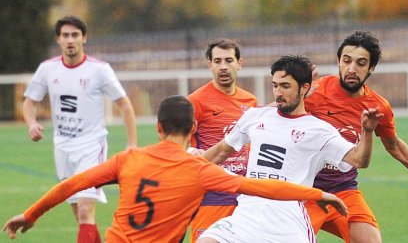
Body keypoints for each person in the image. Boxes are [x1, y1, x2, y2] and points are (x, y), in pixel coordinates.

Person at [3, 95, 349, 242]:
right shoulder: (200, 170)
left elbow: (74, 184)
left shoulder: (129, 158)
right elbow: (263, 188)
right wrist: (318, 193)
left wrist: (31, 214)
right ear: (193, 127)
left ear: (157, 126)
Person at [197, 55, 383, 243]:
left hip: (288, 223)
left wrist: (367, 132)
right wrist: (188, 169)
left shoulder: (319, 130)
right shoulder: (255, 116)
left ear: (304, 88)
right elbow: (220, 151)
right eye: (275, 85)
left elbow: (359, 160)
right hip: (247, 217)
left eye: (285, 86)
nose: (278, 92)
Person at [22, 16, 137, 243]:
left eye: (75, 35)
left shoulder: (100, 70)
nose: (70, 40)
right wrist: (32, 123)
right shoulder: (47, 69)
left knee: (85, 211)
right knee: (80, 216)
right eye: (65, 35)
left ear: (84, 38)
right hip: (62, 148)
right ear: (58, 39)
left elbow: (124, 104)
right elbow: (29, 102)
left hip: (91, 146)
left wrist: (131, 143)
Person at [304, 30, 408, 243]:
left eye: (361, 63)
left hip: (343, 191)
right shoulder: (314, 92)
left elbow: (395, 146)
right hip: (303, 191)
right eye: (346, 61)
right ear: (338, 61)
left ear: (371, 67)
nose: (352, 69)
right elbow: (273, 117)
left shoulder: (378, 107)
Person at [188, 38, 257, 241]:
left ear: (239, 63)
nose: (223, 67)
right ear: (210, 65)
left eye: (228, 60)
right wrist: (192, 153)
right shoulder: (196, 101)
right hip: (211, 196)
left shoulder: (249, 101)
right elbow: (180, 142)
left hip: (243, 195)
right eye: (217, 61)